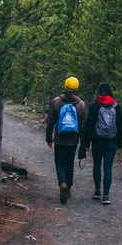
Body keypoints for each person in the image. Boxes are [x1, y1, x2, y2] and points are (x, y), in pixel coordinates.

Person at [45, 76, 87, 204]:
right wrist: (83, 144)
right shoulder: (81, 104)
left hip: (59, 138)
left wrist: (48, 137)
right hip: (73, 140)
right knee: (69, 163)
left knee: (59, 162)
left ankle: (62, 182)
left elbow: (51, 121)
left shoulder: (56, 101)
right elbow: (83, 126)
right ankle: (68, 186)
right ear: (77, 88)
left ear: (65, 86)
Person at [81, 81, 122, 205]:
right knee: (108, 168)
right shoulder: (116, 106)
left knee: (97, 165)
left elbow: (89, 125)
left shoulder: (95, 106)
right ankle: (106, 195)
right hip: (111, 142)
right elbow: (120, 126)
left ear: (98, 91)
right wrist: (118, 142)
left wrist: (87, 142)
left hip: (98, 141)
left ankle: (97, 191)